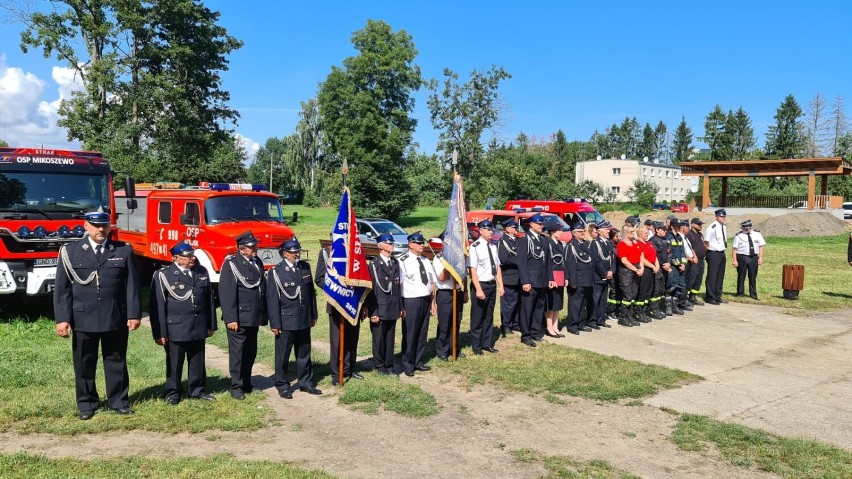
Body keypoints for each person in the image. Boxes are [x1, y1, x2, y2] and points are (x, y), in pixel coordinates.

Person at [53, 210, 141, 420]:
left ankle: (118, 400)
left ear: (110, 227)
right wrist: (62, 319)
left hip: (115, 316)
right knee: (84, 362)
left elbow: (132, 286)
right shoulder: (70, 251)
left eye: (104, 226)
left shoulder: (123, 250)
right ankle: (87, 403)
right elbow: (62, 289)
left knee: (116, 360)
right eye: (96, 226)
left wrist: (134, 314)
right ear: (86, 226)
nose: (101, 230)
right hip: (84, 317)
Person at [149, 241, 216, 405]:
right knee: (174, 362)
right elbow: (156, 306)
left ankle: (197, 390)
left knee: (197, 360)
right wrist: (160, 333)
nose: (192, 258)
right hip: (176, 327)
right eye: (188, 256)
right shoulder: (163, 275)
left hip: (198, 324)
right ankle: (173, 393)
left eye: (192, 255)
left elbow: (209, 300)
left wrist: (211, 324)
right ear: (176, 258)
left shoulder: (201, 271)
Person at [266, 238, 321, 398]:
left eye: (298, 251)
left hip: (303, 318)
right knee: (283, 355)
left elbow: (311, 293)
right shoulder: (276, 272)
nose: (297, 254)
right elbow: (272, 300)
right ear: (284, 253)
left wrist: (313, 314)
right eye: (293, 252)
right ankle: (282, 384)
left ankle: (305, 382)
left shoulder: (304, 267)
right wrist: (275, 323)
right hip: (286, 320)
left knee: (304, 353)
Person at [219, 230, 266, 400]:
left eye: (256, 246)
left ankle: (247, 382)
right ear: (242, 248)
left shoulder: (257, 262)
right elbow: (226, 293)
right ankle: (236, 386)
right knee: (238, 353)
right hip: (239, 318)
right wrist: (231, 318)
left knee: (250, 351)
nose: (256, 249)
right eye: (252, 247)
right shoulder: (232, 264)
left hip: (253, 316)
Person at [315, 237, 362, 386]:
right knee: (337, 341)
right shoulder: (326, 253)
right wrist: (334, 290)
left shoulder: (355, 255)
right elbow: (319, 278)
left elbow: (361, 279)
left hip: (353, 303)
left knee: (352, 338)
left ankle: (349, 368)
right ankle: (336, 372)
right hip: (336, 303)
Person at [398, 231, 436, 376]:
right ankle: (407, 364)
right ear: (410, 244)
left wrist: (433, 301)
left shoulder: (426, 260)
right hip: (411, 300)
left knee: (422, 332)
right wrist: (401, 306)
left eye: (422, 243)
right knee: (410, 333)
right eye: (419, 243)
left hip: (425, 299)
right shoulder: (403, 261)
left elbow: (431, 282)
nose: (422, 245)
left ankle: (418, 361)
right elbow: (399, 286)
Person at [366, 233, 404, 373]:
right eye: (389, 243)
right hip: (379, 308)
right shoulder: (374, 265)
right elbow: (371, 291)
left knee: (390, 338)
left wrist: (400, 306)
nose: (392, 245)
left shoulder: (395, 262)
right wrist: (373, 312)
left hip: (393, 307)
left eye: (392, 243)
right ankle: (379, 366)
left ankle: (389, 365)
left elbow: (397, 287)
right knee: (379, 339)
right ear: (381, 246)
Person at [467, 220, 504, 354]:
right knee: (478, 316)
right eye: (488, 230)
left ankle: (486, 343)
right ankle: (476, 346)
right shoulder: (475, 247)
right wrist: (478, 289)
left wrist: (501, 285)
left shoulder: (493, 246)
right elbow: (473, 271)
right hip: (481, 284)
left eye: (492, 230)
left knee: (489, 315)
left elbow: (497, 267)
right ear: (481, 231)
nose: (491, 232)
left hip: (491, 284)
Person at [517, 214, 551, 346]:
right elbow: (522, 262)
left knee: (538, 307)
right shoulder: (525, 240)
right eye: (539, 224)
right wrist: (525, 280)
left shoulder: (543, 240)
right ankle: (526, 335)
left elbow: (547, 261)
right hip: (530, 280)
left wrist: (549, 278)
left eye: (542, 224)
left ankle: (535, 332)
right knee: (527, 309)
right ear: (531, 224)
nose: (541, 226)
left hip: (541, 280)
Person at [433, 247, 466, 361]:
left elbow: (463, 276)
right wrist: (449, 265)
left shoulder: (459, 257)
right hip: (445, 293)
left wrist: (465, 291)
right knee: (445, 323)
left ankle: (454, 348)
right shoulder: (439, 258)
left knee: (456, 321)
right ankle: (442, 350)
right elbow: (442, 277)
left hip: (458, 291)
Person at [565, 221, 595, 334]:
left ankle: (581, 323)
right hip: (577, 279)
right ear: (574, 233)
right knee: (575, 304)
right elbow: (569, 265)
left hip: (587, 279)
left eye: (583, 231)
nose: (583, 233)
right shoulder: (571, 246)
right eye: (580, 231)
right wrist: (572, 280)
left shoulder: (585, 244)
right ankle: (572, 325)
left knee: (584, 303)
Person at [616, 224, 643, 327]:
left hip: (636, 268)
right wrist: (636, 269)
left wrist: (640, 268)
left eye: (633, 232)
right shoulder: (622, 244)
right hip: (626, 271)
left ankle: (630, 316)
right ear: (625, 233)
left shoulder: (635, 243)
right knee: (627, 294)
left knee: (633, 294)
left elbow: (640, 256)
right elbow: (624, 260)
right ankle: (623, 317)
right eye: (631, 232)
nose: (633, 234)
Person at [498, 219, 522, 336]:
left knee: (518, 302)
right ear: (507, 229)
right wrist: (520, 261)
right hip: (509, 276)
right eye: (514, 228)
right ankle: (506, 325)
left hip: (519, 277)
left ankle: (516, 323)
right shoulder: (503, 241)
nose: (516, 230)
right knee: (508, 303)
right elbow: (504, 259)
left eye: (516, 228)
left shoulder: (518, 240)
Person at [588, 221, 614, 329]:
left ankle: (601, 319)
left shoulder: (608, 243)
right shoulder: (595, 243)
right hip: (598, 276)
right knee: (596, 299)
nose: (608, 231)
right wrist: (604, 273)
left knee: (603, 299)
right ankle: (592, 320)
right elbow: (596, 260)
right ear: (599, 231)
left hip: (607, 275)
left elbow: (613, 259)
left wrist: (612, 271)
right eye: (606, 229)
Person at [544, 220, 567, 337]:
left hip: (560, 275)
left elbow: (563, 262)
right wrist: (550, 278)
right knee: (551, 303)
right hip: (552, 275)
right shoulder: (548, 243)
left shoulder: (559, 244)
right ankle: (549, 327)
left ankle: (555, 326)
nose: (561, 232)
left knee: (558, 302)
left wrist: (566, 277)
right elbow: (548, 263)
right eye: (559, 230)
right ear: (553, 232)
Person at [732, 220, 766, 300]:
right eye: (745, 228)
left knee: (753, 276)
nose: (747, 229)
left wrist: (760, 257)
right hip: (742, 257)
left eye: (749, 227)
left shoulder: (757, 234)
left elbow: (761, 246)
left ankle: (753, 294)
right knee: (741, 276)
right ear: (742, 227)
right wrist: (734, 260)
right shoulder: (738, 235)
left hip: (753, 257)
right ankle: (740, 293)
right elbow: (734, 249)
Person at [703, 209, 729, 305]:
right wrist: (707, 253)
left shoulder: (723, 226)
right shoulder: (712, 227)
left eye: (724, 216)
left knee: (720, 276)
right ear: (716, 216)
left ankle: (718, 296)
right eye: (721, 216)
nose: (723, 218)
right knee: (712, 276)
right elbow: (706, 242)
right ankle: (710, 296)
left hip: (721, 252)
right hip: (713, 252)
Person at [685, 218, 707, 306]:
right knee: (692, 279)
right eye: (698, 224)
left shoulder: (700, 234)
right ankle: (686, 297)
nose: (700, 225)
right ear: (692, 224)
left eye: (701, 224)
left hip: (701, 260)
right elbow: (689, 248)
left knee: (699, 279)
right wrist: (693, 257)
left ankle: (693, 296)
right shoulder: (689, 234)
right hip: (693, 261)